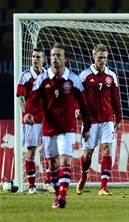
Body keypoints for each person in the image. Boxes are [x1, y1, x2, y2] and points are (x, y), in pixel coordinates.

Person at [24, 43, 91, 209]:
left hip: (67, 128)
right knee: (53, 164)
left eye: (58, 55)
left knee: (65, 160)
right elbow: (32, 97)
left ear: (65, 58)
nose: (55, 58)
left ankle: (62, 197)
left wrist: (87, 127)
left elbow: (83, 104)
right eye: (53, 55)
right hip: (48, 128)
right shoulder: (43, 78)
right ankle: (57, 194)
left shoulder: (73, 79)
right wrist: (28, 112)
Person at [76, 44, 122, 196]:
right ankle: (84, 174)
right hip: (90, 121)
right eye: (100, 57)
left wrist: (118, 118)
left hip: (107, 119)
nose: (102, 61)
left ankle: (103, 187)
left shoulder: (111, 76)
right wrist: (76, 109)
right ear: (93, 56)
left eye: (105, 58)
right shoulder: (84, 75)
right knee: (87, 155)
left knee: (107, 149)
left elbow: (115, 98)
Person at [16, 48, 51, 194]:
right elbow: (20, 97)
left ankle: (49, 183)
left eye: (38, 57)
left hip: (47, 119)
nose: (35, 59)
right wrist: (26, 113)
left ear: (43, 60)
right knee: (31, 152)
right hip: (31, 121)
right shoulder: (25, 76)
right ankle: (31, 185)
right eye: (33, 56)